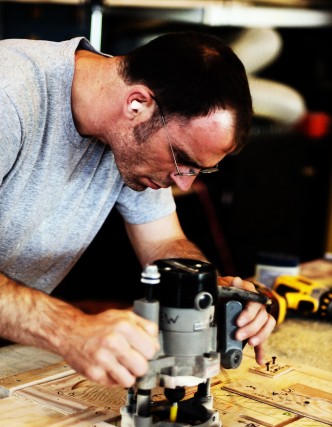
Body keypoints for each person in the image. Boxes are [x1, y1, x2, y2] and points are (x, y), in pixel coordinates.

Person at [0, 32, 275, 388]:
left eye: (199, 170)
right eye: (183, 160)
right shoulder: (10, 94)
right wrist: (70, 328)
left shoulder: (130, 134)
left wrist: (209, 291)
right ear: (137, 104)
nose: (184, 183)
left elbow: (164, 244)